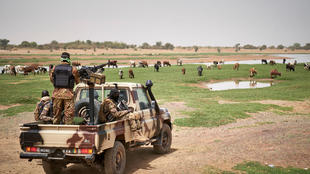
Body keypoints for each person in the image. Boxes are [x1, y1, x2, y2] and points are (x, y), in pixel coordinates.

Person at [50, 52, 80, 124]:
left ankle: (55, 129)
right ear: (69, 59)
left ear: (61, 59)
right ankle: (68, 131)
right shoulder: (73, 69)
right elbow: (78, 82)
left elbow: (51, 80)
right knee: (69, 115)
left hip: (57, 94)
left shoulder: (54, 68)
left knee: (56, 115)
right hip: (68, 95)